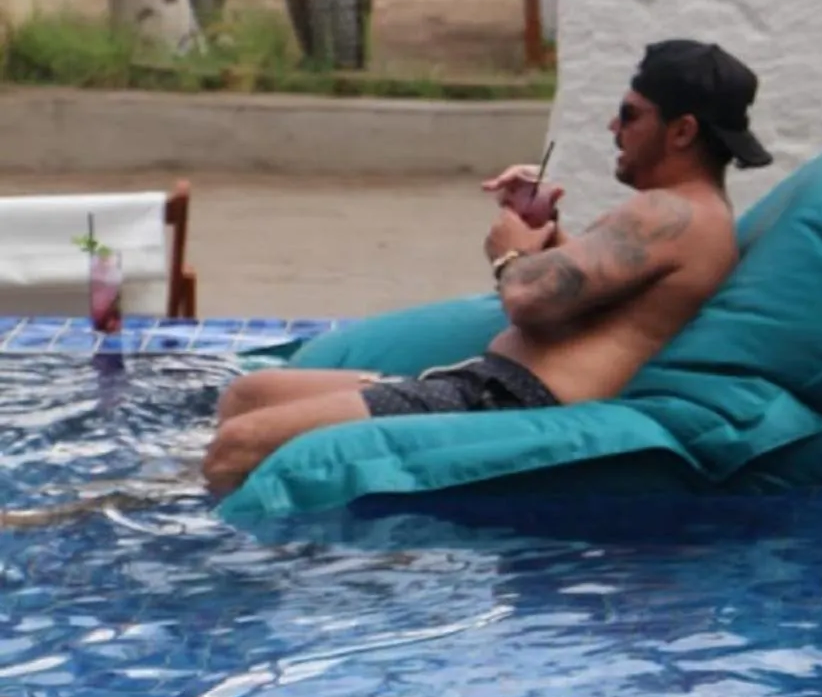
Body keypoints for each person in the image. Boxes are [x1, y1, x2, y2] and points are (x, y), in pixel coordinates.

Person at [203, 40, 772, 498]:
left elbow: (527, 300)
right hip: (485, 385)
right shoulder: (687, 218)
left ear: (682, 131)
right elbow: (590, 298)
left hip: (505, 402)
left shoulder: (669, 212)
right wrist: (543, 229)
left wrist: (509, 251)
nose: (612, 128)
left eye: (630, 114)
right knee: (252, 395)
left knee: (242, 442)